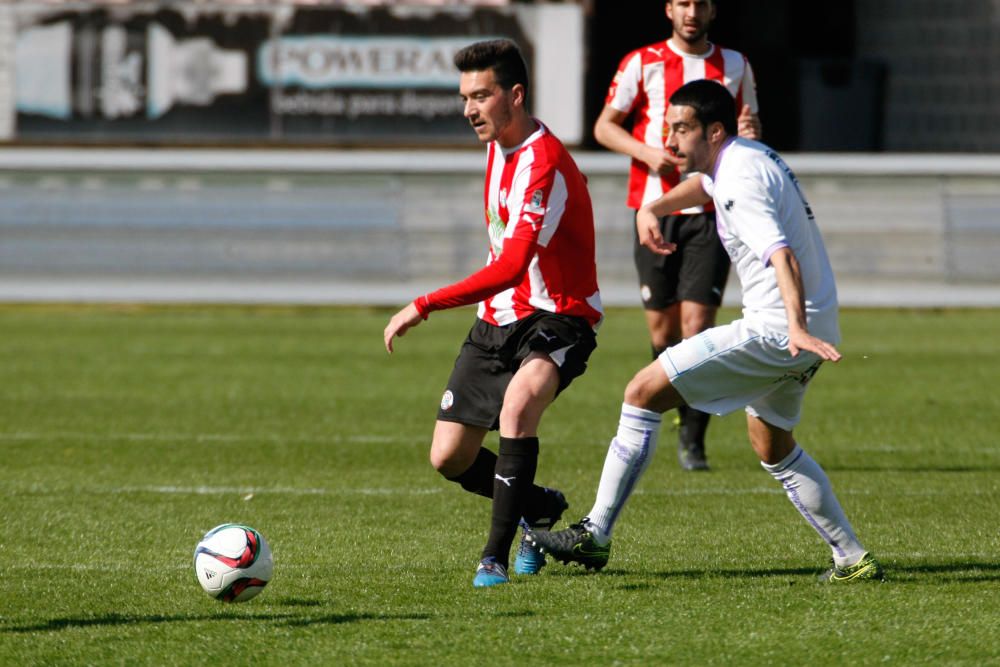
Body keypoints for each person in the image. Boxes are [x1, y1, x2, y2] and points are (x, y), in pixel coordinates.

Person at [528, 79, 884, 584]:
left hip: (778, 328)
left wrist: (795, 330)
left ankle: (594, 535)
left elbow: (780, 254)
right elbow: (704, 185)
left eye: (681, 129)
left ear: (714, 131)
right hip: (810, 326)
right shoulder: (741, 158)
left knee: (641, 392)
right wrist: (654, 207)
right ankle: (853, 559)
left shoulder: (739, 182)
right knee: (772, 444)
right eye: (667, 127)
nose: (669, 141)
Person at [383, 39, 603, 588]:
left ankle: (494, 558)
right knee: (449, 457)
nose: (469, 109)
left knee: (519, 407)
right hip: (497, 319)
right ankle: (539, 505)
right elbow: (502, 270)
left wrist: (424, 303)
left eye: (480, 95)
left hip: (558, 316)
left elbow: (510, 266)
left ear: (516, 95)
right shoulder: (496, 147)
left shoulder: (544, 162)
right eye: (465, 97)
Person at [593, 0, 761, 470]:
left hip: (712, 211)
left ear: (713, 11)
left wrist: (750, 131)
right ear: (669, 9)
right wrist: (646, 153)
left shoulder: (735, 64)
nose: (692, 12)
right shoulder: (641, 62)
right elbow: (605, 126)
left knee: (696, 327)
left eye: (701, 4)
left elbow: (747, 129)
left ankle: (693, 437)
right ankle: (669, 403)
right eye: (683, 3)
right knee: (662, 330)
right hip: (654, 210)